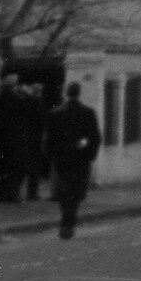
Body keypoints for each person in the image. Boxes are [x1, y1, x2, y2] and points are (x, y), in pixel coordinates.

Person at [45, 82, 101, 240]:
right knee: (76, 190)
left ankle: (66, 217)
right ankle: (69, 219)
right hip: (80, 158)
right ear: (79, 93)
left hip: (62, 158)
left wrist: (51, 155)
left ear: (66, 93)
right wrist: (89, 153)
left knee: (64, 188)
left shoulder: (55, 113)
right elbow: (94, 137)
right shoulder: (88, 113)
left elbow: (49, 139)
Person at [0, 75, 24, 200]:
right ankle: (12, 194)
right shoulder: (18, 101)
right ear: (13, 87)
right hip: (14, 140)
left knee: (0, 168)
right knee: (13, 168)